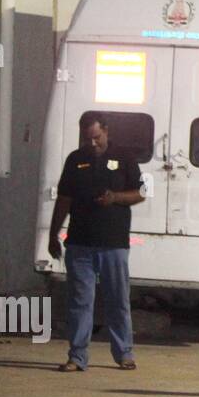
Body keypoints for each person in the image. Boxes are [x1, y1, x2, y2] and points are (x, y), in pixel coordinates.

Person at [48, 112, 144, 371]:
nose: (92, 143)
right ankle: (77, 356)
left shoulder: (124, 158)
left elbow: (140, 193)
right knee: (80, 301)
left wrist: (115, 198)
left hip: (114, 244)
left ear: (106, 131)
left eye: (97, 137)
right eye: (87, 138)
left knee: (117, 300)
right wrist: (53, 234)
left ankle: (124, 353)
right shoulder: (75, 159)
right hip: (80, 243)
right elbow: (64, 199)